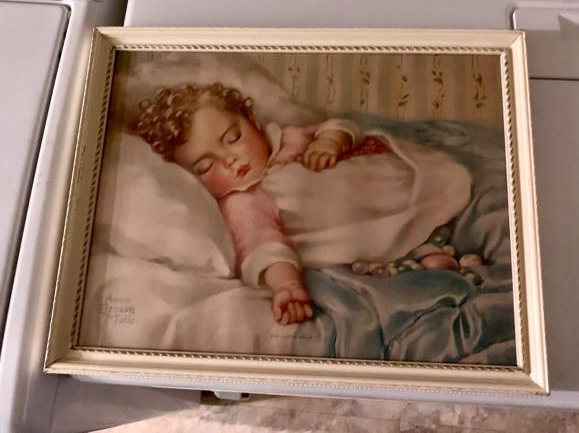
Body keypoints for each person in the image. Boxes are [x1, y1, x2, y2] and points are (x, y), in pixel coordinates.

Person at [135, 83, 471, 326]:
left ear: (250, 119)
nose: (230, 159)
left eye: (233, 138)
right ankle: (424, 248)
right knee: (388, 240)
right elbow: (264, 248)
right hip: (363, 225)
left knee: (424, 182)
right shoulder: (244, 203)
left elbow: (340, 126)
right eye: (206, 166)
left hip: (390, 178)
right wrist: (288, 286)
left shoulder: (286, 139)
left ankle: (434, 226)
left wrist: (330, 141)